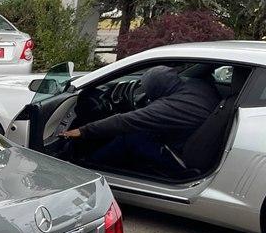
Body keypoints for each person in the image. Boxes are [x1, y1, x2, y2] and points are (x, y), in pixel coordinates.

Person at [61, 65, 219, 171]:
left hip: (181, 158)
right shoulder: (197, 86)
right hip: (193, 142)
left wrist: (82, 131)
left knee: (130, 137)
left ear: (157, 89)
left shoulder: (170, 107)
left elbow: (124, 121)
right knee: (143, 132)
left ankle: (86, 167)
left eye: (148, 89)